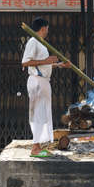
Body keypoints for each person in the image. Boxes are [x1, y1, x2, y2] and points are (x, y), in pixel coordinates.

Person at [21, 17, 70, 157]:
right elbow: (25, 63)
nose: (48, 31)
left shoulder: (41, 43)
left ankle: (38, 147)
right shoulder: (33, 41)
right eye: (47, 28)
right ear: (43, 28)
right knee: (38, 114)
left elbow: (43, 64)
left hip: (43, 81)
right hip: (37, 81)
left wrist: (60, 65)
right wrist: (47, 60)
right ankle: (35, 149)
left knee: (42, 114)